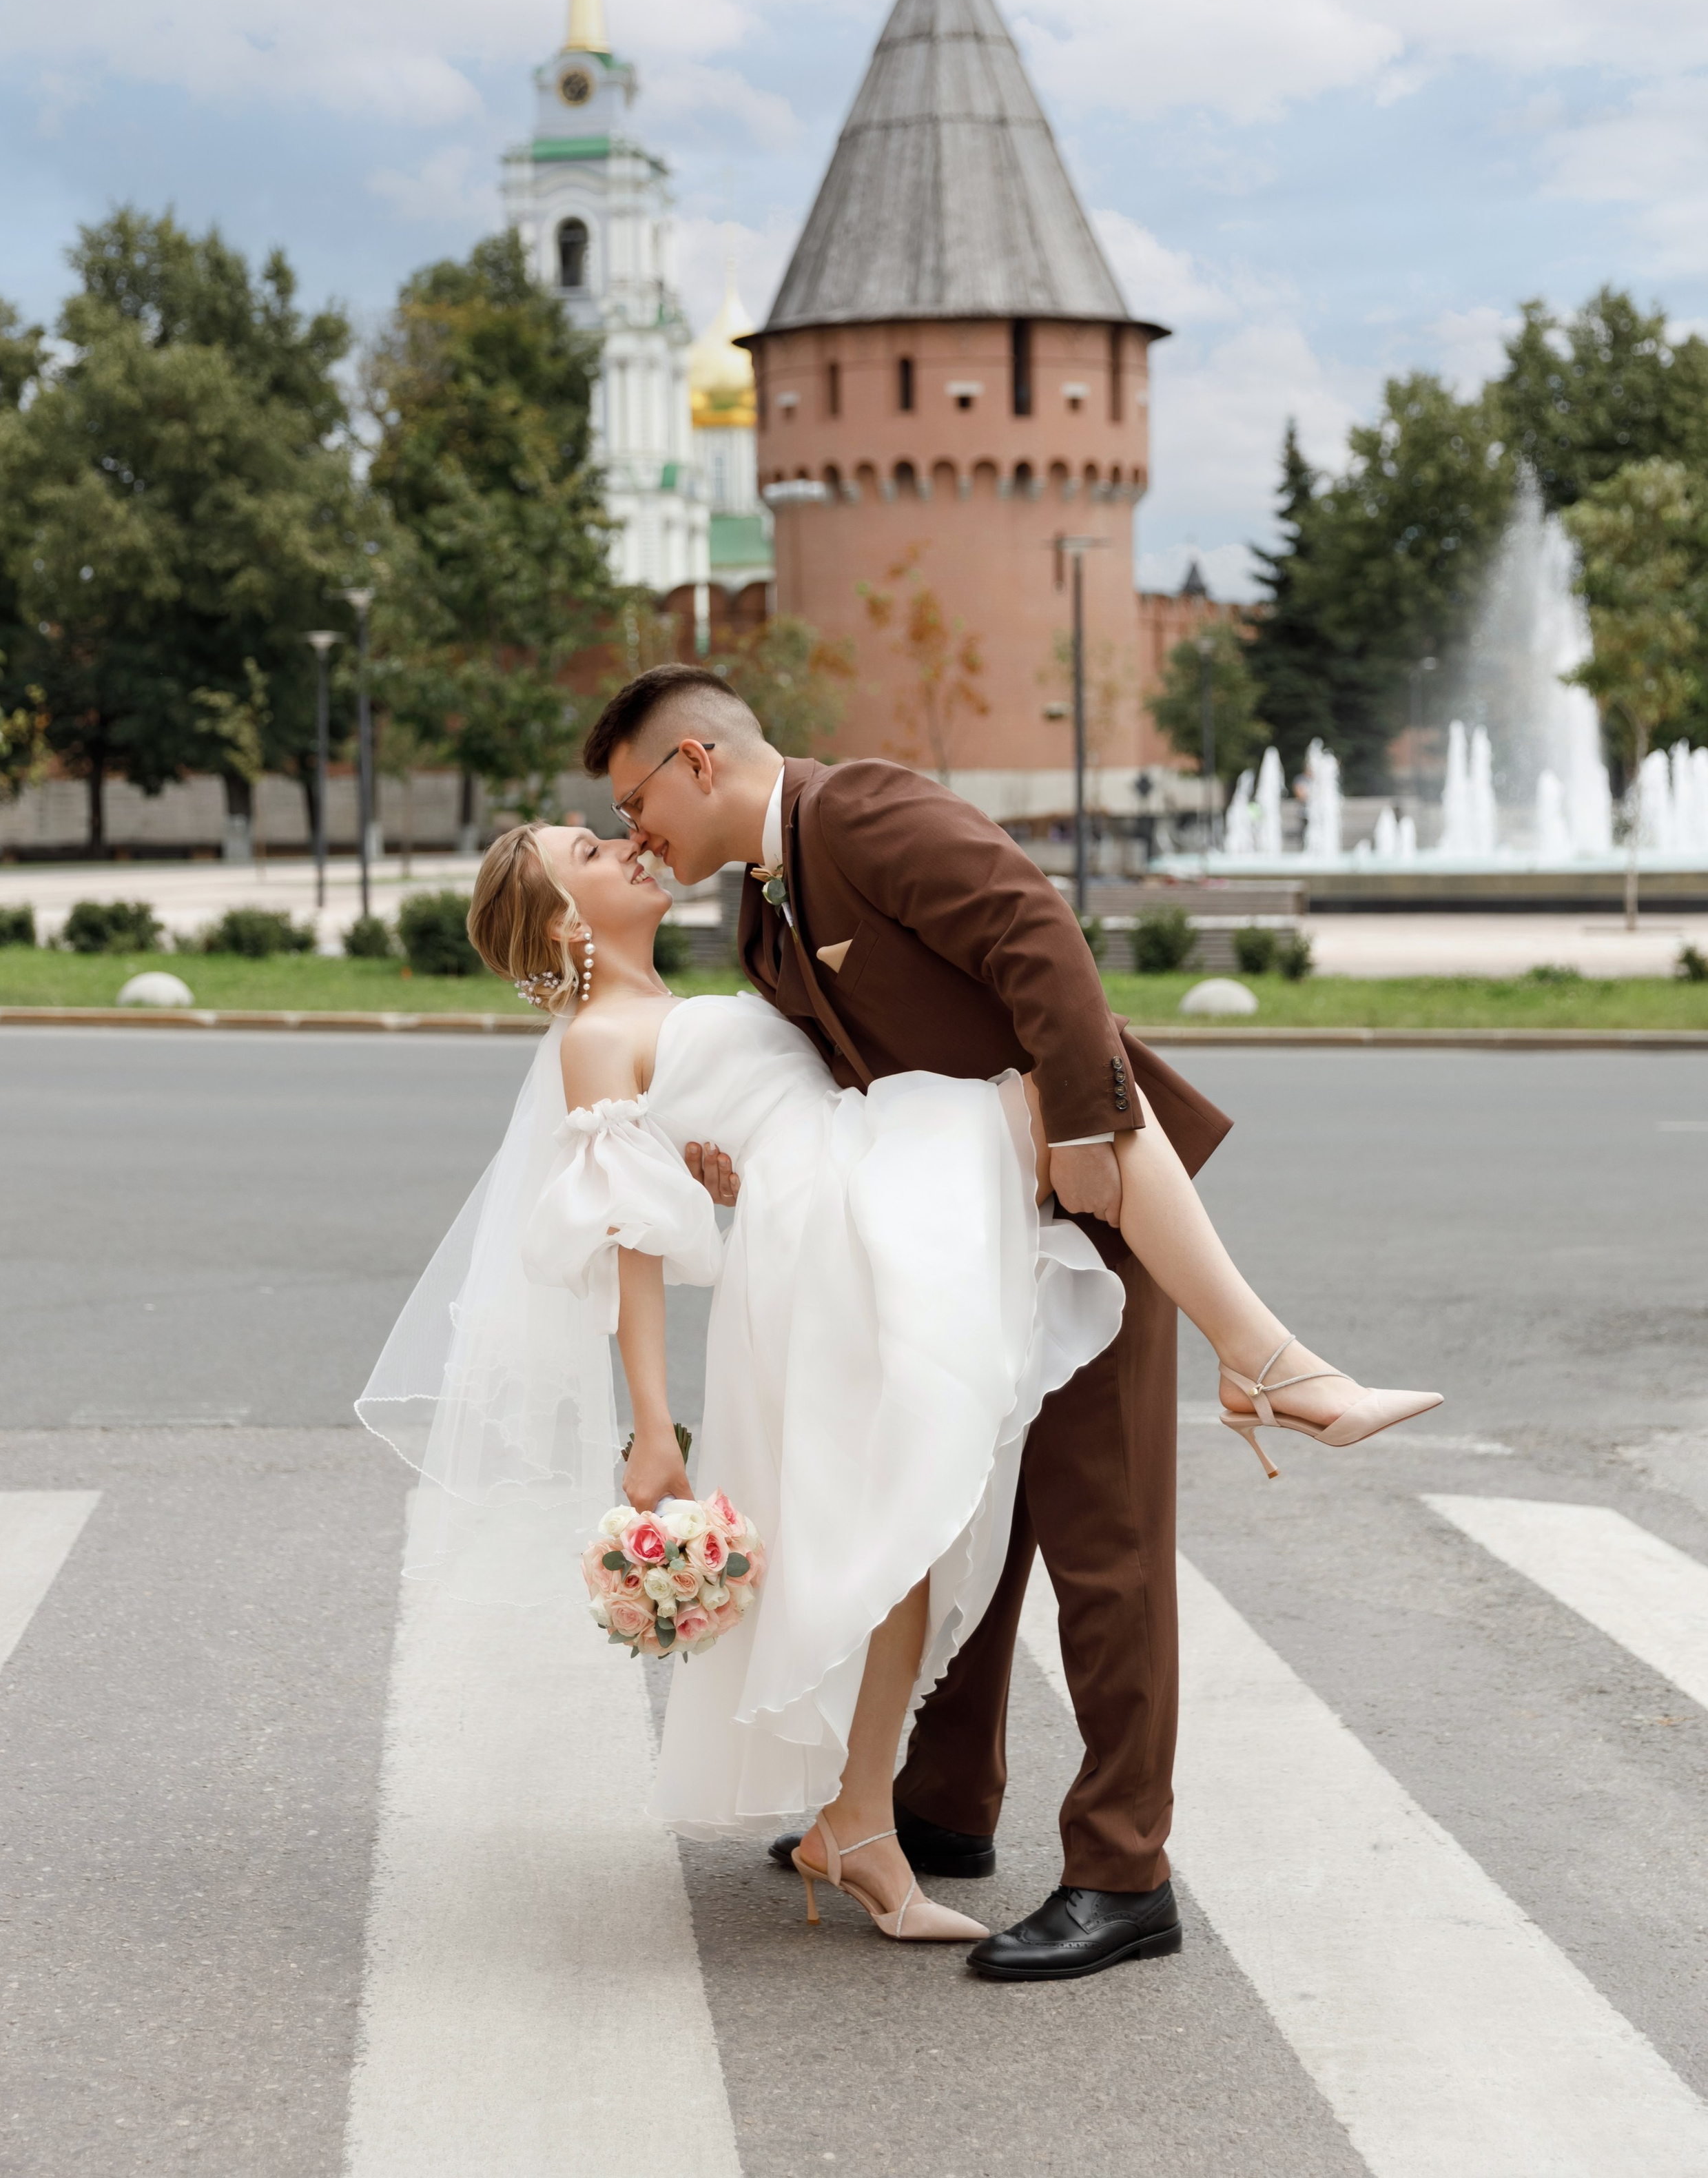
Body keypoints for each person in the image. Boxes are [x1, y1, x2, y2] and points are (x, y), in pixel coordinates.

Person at [574, 666, 1441, 1983]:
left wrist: (1090, 1132)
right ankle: (938, 1805)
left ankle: (1121, 1873)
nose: (636, 833)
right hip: (943, 1246)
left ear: (697, 761)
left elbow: (1036, 936)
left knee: (1104, 1544)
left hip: (1075, 1212)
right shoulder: (762, 911)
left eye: (634, 801)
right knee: (956, 1511)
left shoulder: (860, 814)